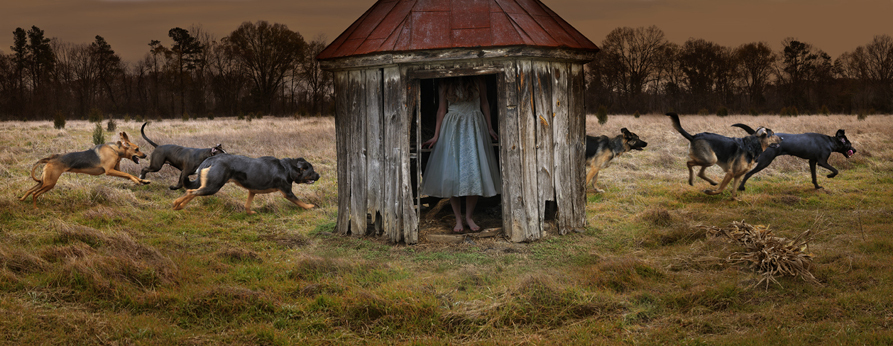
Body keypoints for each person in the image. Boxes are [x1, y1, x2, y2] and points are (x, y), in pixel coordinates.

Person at [421, 76, 502, 233]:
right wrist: (436, 135)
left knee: (474, 172)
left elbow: (484, 103)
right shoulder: (444, 82)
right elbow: (441, 109)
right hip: (453, 126)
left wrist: (490, 127)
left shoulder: (479, 80)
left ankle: (469, 217)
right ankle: (458, 219)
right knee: (453, 174)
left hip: (474, 125)